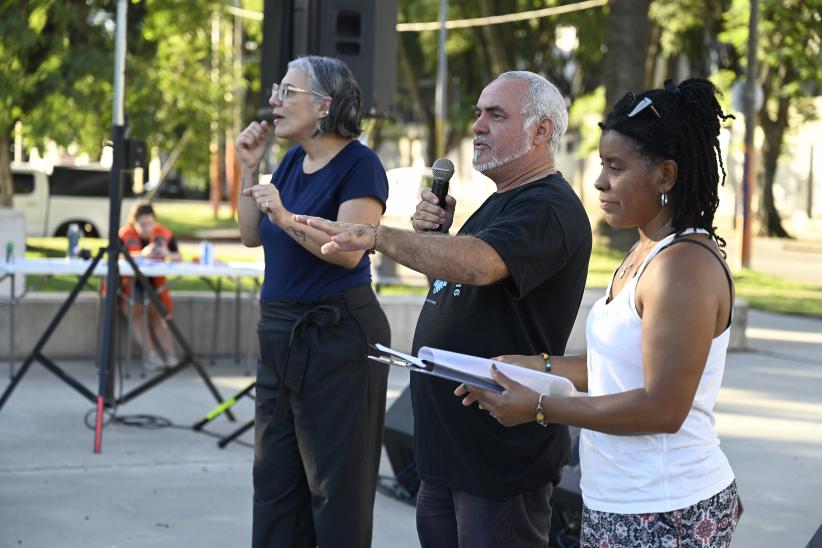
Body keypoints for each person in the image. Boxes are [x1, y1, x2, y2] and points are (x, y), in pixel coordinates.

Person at [296, 71, 592, 547]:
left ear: (541, 132)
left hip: (496, 459)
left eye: (496, 115)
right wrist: (433, 242)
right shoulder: (500, 202)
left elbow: (478, 266)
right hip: (448, 452)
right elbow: (458, 285)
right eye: (478, 112)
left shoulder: (549, 206)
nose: (477, 125)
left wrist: (378, 236)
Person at [457, 78, 741, 547]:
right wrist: (537, 367)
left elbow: (662, 407)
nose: (600, 182)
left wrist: (542, 407)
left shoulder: (683, 267)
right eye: (602, 164)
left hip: (666, 507)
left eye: (616, 167)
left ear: (665, 176)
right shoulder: (646, 250)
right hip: (618, 498)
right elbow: (617, 369)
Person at [235, 56, 390, 548]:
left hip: (337, 336)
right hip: (281, 336)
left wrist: (283, 217)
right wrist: (249, 167)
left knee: (334, 492)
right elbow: (247, 235)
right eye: (277, 90)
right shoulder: (291, 162)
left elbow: (346, 252)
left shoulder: (360, 164)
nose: (274, 101)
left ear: (323, 105)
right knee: (274, 485)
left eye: (287, 91)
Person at [119, 200, 181, 370]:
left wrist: (166, 253)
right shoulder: (125, 234)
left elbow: (178, 256)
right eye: (142, 224)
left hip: (156, 284)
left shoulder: (163, 233)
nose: (147, 228)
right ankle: (151, 355)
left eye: (150, 223)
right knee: (135, 313)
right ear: (134, 223)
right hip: (132, 283)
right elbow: (116, 257)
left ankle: (169, 355)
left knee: (158, 316)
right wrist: (142, 255)